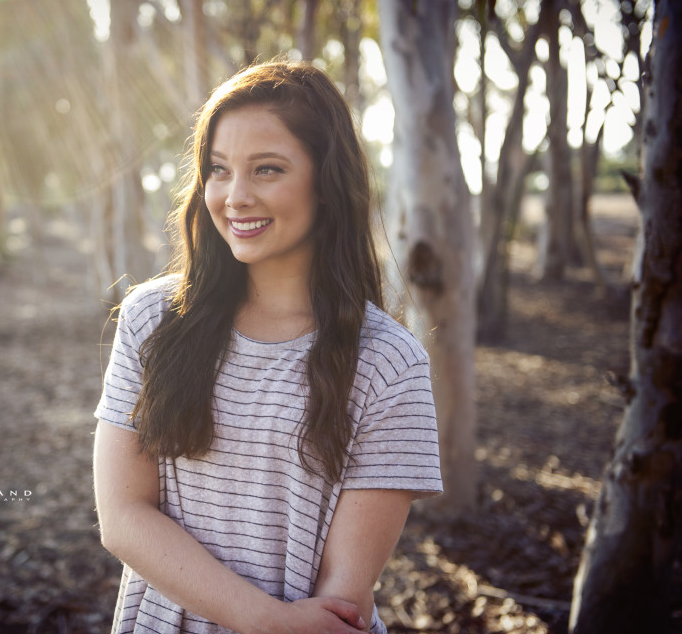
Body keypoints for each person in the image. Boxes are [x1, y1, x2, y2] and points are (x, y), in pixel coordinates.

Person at [92, 60, 442, 634]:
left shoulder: (388, 362)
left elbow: (343, 596)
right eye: (219, 170)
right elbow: (123, 517)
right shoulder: (152, 320)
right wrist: (266, 619)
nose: (235, 196)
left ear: (325, 183)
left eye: (267, 170)